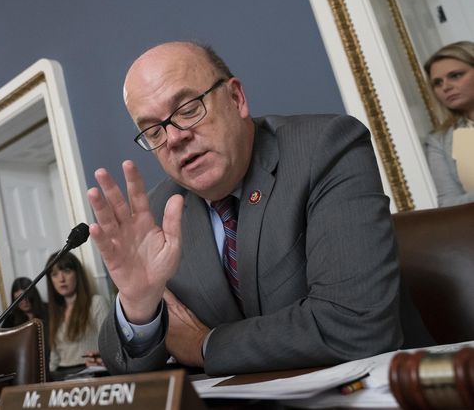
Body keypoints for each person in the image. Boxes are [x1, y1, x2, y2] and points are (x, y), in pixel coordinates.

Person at [87, 41, 432, 377]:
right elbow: (126, 366)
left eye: (189, 109)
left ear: (236, 98)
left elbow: (357, 324)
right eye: (153, 130)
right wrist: (138, 307)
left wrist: (205, 345)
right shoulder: (162, 211)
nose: (174, 138)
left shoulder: (325, 148)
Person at [423, 41, 474, 207]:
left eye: (455, 75)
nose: (446, 87)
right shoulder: (439, 140)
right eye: (437, 83)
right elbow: (448, 205)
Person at [45, 251, 109, 377]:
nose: (61, 279)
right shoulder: (55, 312)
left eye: (67, 271)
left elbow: (112, 348)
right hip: (61, 376)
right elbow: (54, 359)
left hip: (91, 373)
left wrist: (100, 360)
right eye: (54, 274)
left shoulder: (96, 303)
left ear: (77, 274)